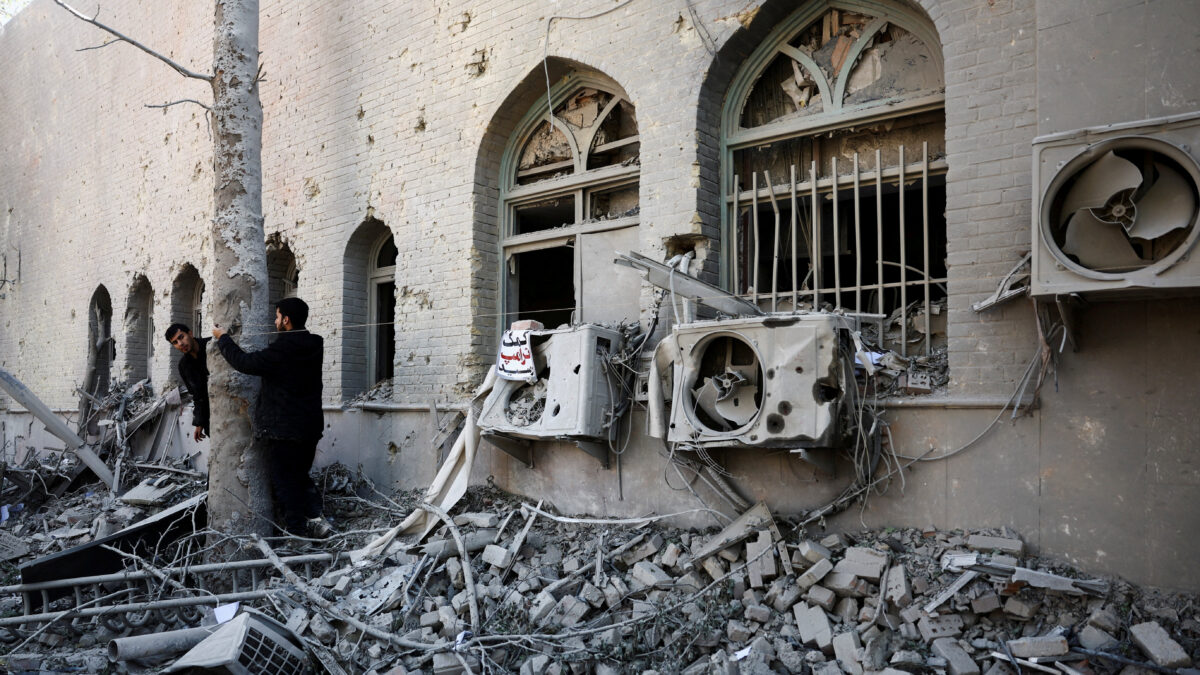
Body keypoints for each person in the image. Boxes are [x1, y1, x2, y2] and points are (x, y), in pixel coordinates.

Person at [212, 297, 330, 538]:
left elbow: (244, 362)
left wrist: (223, 338)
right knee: (299, 477)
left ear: (286, 320)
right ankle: (318, 521)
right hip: (309, 426)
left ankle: (297, 536)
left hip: (284, 429)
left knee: (285, 483)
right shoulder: (315, 345)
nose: (274, 321)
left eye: (277, 316)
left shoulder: (282, 350)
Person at [164, 323, 210, 442]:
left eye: (181, 337)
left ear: (190, 333)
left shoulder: (211, 346)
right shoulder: (184, 366)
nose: (180, 344)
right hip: (212, 417)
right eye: (175, 342)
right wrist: (199, 422)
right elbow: (198, 396)